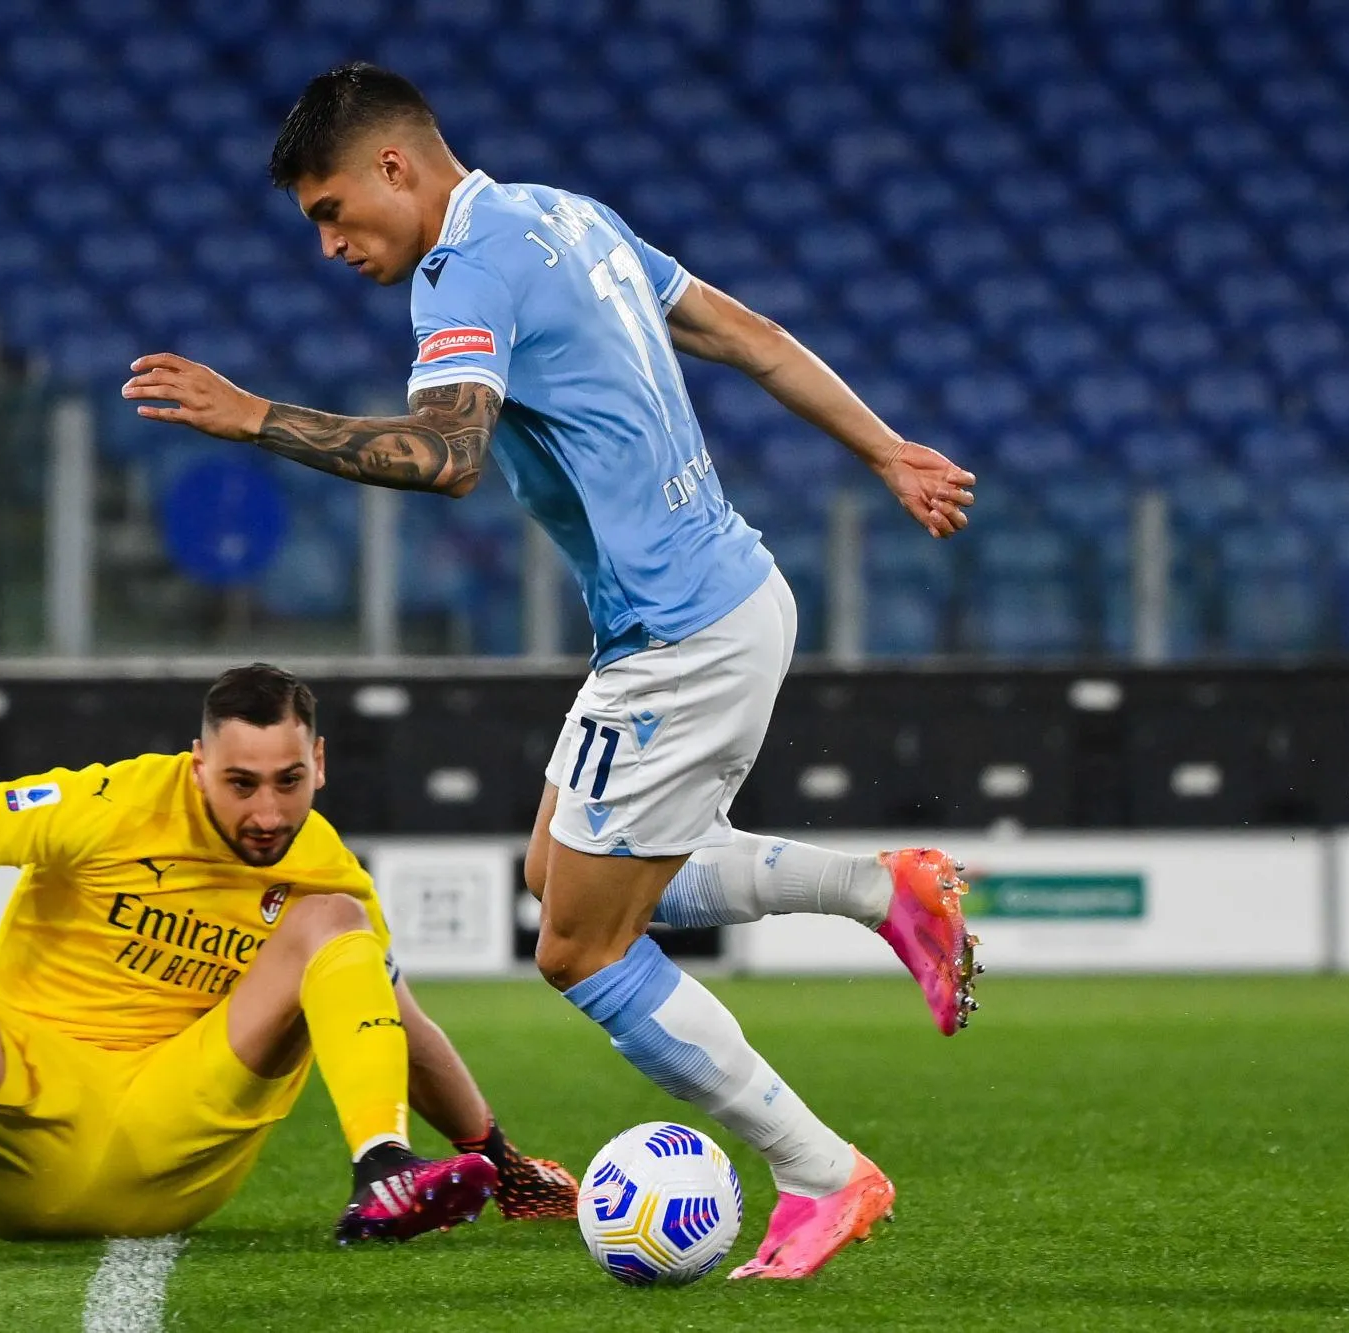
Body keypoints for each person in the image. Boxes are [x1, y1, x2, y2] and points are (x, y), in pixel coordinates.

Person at [120, 63, 982, 1281]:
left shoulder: (461, 272)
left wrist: (252, 415)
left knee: (578, 948)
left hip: (680, 638)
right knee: (559, 877)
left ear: (393, 168)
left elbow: (446, 454)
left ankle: (820, 1171)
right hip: (714, 602)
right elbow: (750, 336)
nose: (328, 245)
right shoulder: (563, 213)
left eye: (329, 211)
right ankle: (878, 887)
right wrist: (885, 450)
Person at [0, 663, 577, 1267]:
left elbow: (397, 1026)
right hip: (13, 1131)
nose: (266, 811)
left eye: (288, 782)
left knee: (334, 923)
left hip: (171, 1144)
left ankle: (384, 1172)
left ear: (320, 764)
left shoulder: (325, 868)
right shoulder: (103, 803)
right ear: (198, 763)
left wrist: (499, 1159)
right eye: (241, 782)